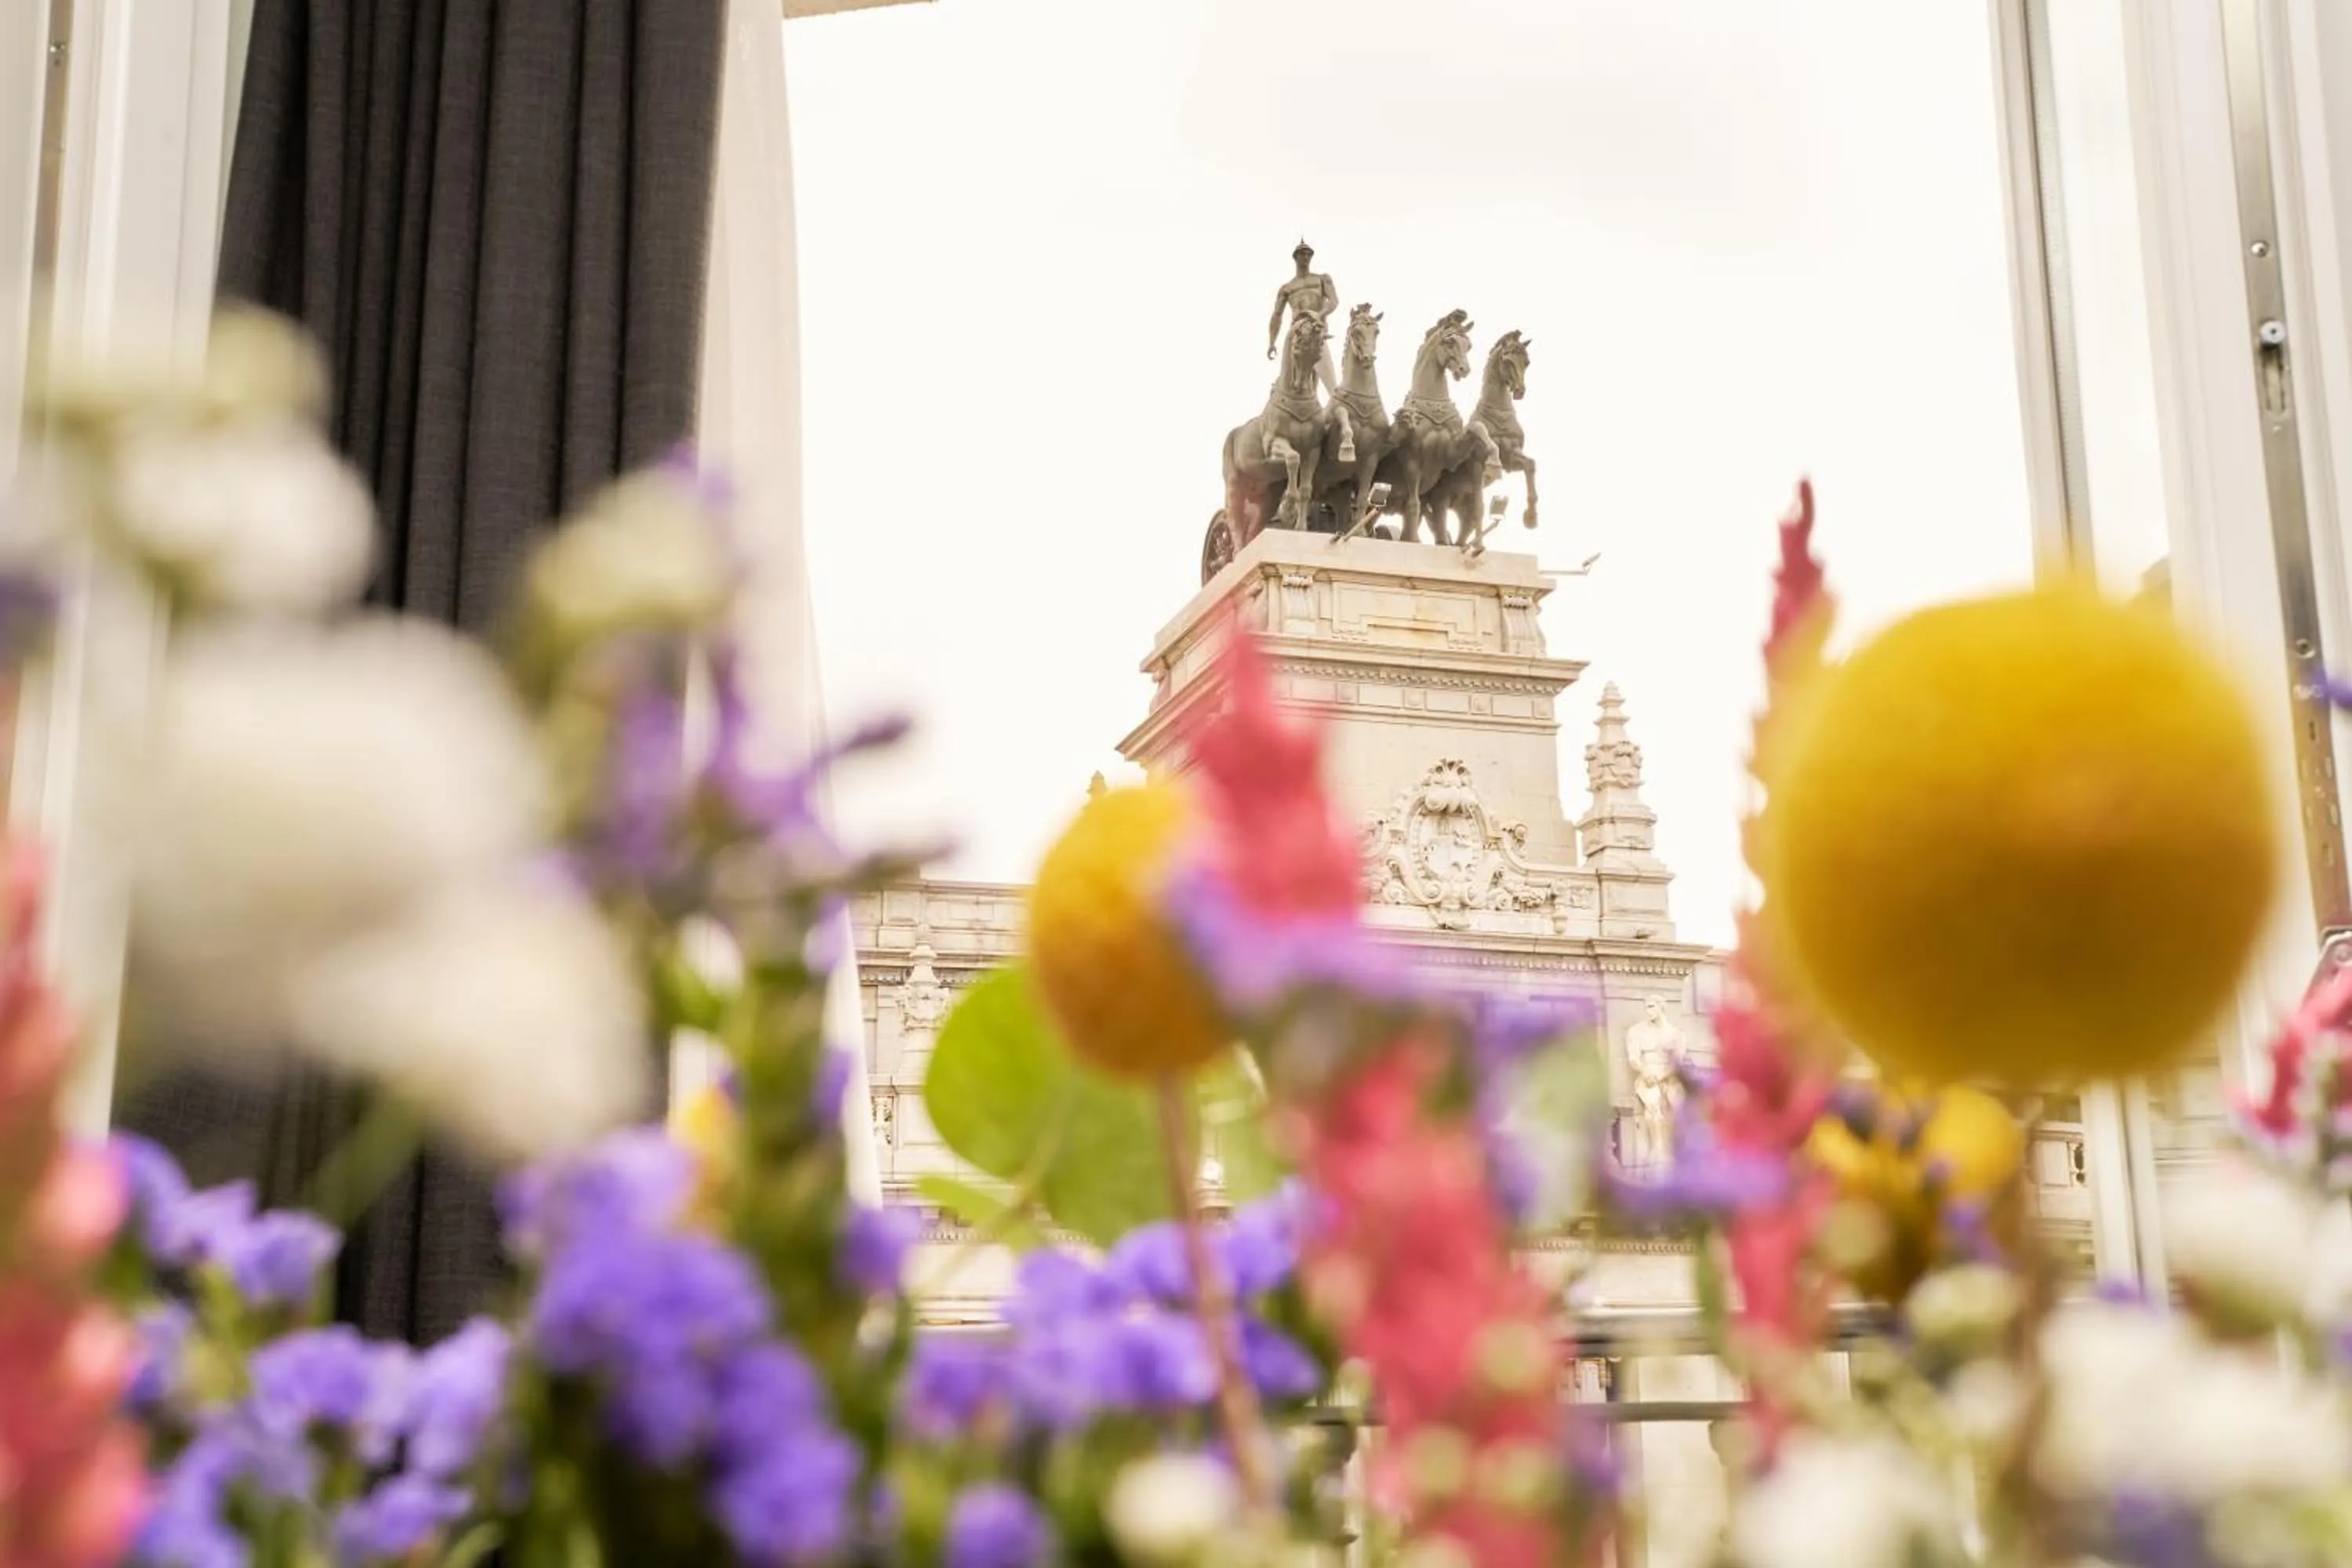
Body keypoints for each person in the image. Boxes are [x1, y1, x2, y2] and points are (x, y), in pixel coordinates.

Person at [1266, 238, 1341, 396]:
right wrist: (1272, 342)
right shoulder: (1287, 288)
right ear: (1296, 257)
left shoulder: (1322, 279)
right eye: (1303, 254)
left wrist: (1319, 315)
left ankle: (1335, 398)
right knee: (1290, 372)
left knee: (1326, 377)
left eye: (1309, 254)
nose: (1306, 257)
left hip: (1315, 329)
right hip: (1297, 331)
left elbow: (1334, 301)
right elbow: (1277, 316)